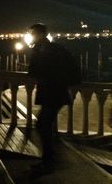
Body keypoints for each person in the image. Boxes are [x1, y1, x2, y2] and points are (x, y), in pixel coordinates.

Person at [28, 23, 80, 175]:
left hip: (53, 93)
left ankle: (50, 161)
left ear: (41, 34)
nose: (31, 37)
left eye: (33, 34)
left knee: (42, 125)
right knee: (44, 125)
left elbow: (35, 70)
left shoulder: (45, 50)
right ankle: (49, 159)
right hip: (55, 93)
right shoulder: (54, 48)